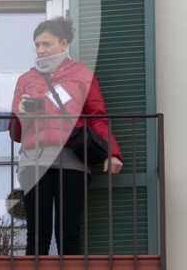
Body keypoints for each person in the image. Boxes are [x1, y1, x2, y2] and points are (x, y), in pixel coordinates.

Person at [9, 16, 123, 255]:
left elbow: (97, 117)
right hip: (33, 158)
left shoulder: (82, 74)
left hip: (72, 157)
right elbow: (16, 133)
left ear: (63, 43)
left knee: (69, 231)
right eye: (37, 45)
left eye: (46, 44)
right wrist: (21, 115)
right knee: (36, 233)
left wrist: (112, 153)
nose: (40, 50)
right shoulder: (25, 80)